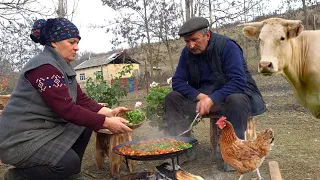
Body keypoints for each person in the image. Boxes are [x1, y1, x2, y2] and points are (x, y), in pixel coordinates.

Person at [0, 18, 132, 180]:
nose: (77, 47)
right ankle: (17, 176)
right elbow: (66, 110)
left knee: (83, 127)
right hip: (19, 140)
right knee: (67, 163)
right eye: (71, 42)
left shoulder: (61, 66)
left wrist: (110, 113)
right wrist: (106, 123)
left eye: (77, 42)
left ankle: (67, 174)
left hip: (41, 131)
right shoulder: (44, 68)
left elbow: (82, 101)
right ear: (54, 42)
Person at [163, 17, 266, 164]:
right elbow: (177, 81)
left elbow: (238, 81)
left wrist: (212, 99)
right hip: (203, 99)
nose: (191, 45)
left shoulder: (227, 47)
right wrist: (200, 96)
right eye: (187, 41)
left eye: (194, 40)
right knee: (172, 98)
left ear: (207, 35)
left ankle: (234, 155)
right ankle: (182, 149)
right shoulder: (187, 53)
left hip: (231, 99)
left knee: (236, 99)